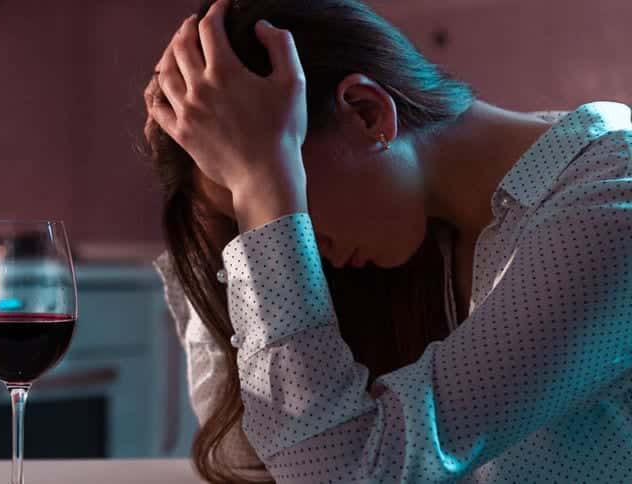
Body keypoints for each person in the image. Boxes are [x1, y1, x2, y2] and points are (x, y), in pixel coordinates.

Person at [141, 0, 632, 482]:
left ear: (368, 112)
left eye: (282, 183)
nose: (290, 233)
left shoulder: (608, 208)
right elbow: (251, 455)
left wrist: (261, 182)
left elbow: (343, 472)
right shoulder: (423, 234)